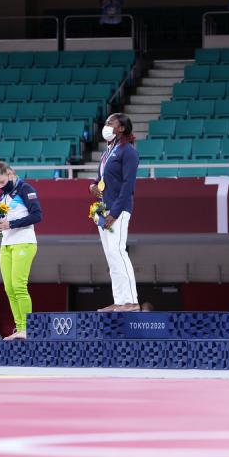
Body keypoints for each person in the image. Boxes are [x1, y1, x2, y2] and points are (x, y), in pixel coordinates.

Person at [90, 114, 140, 312]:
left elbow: (128, 185)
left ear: (121, 128)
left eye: (110, 123)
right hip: (104, 207)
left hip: (118, 209)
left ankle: (132, 301)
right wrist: (93, 185)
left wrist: (115, 213)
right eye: (106, 123)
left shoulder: (128, 152)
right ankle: (120, 300)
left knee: (118, 251)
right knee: (111, 255)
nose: (106, 126)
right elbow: (101, 177)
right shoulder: (109, 150)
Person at [0, 157, 43, 340]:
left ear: (11, 174)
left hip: (24, 241)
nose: (0, 186)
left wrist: (10, 224)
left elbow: (37, 215)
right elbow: (3, 216)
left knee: (19, 286)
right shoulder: (3, 195)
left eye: (2, 182)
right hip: (6, 244)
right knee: (9, 289)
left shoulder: (25, 189)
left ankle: (28, 328)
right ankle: (20, 328)